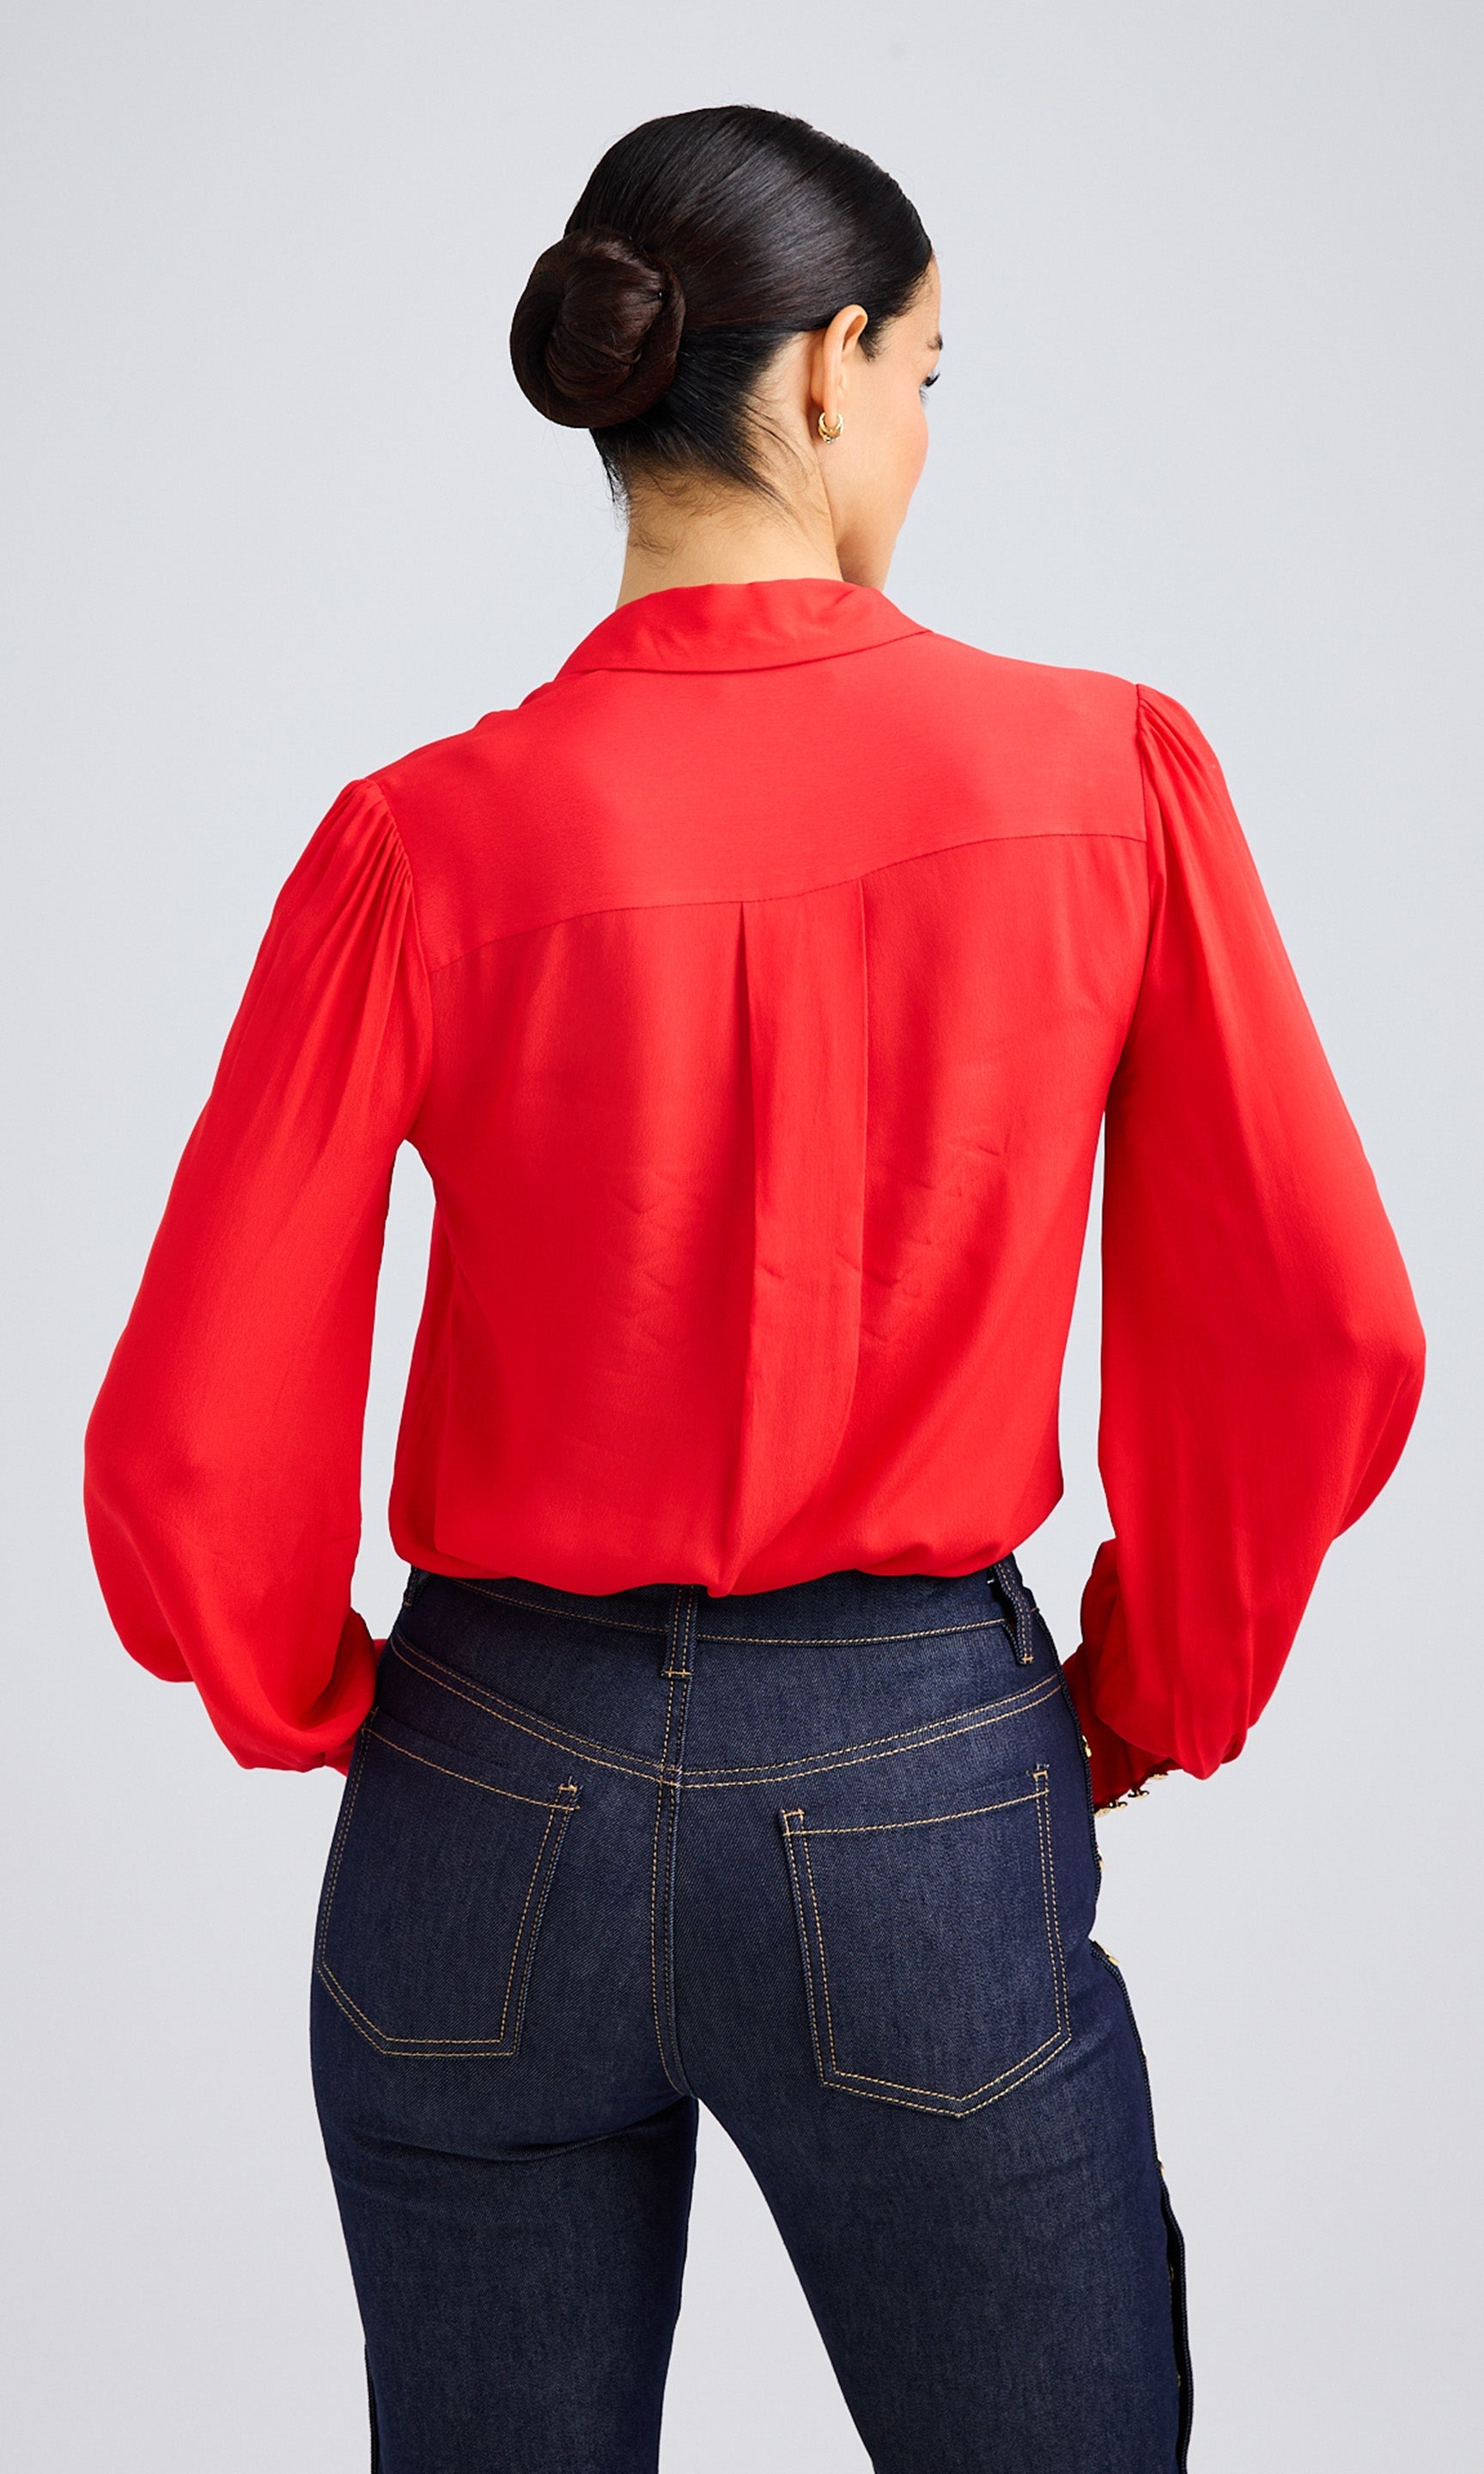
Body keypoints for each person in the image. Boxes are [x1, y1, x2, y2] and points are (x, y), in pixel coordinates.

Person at [84, 103, 1424, 2474]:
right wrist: (1150, 1692)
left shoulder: (423, 835)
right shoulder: (1106, 776)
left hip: (479, 1780)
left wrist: (319, 1710)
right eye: (925, 370)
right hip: (913, 1766)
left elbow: (190, 1415)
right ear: (819, 375)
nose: (921, 426)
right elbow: (1310, 1321)